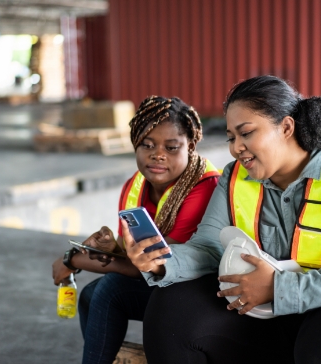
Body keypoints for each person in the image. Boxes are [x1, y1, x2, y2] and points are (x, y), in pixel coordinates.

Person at [106, 76, 321, 364]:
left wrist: (280, 287)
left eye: (246, 132)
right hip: (273, 313)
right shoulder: (235, 178)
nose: (235, 147)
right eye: (230, 137)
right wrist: (163, 262)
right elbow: (208, 247)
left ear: (287, 127)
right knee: (173, 307)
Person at [52, 95, 220, 363]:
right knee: (89, 295)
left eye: (172, 147)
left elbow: (156, 264)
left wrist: (71, 260)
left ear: (191, 147)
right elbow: (129, 255)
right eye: (147, 145)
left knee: (110, 290)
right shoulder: (136, 185)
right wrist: (110, 249)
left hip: (196, 287)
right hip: (158, 279)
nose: (158, 155)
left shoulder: (205, 188)